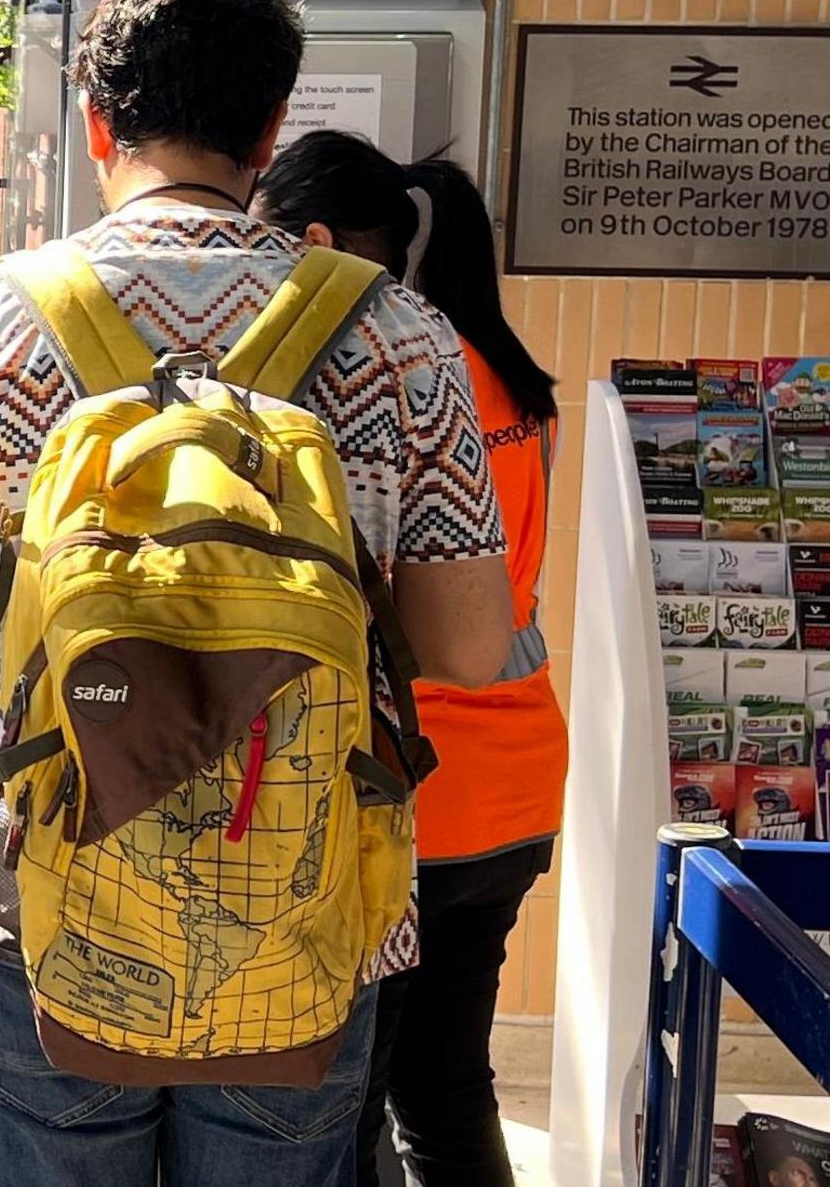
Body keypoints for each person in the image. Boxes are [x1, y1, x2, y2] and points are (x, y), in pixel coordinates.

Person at [0, 0, 517, 1186]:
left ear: (97, 119)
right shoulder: (398, 331)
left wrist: (41, 639)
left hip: (33, 871)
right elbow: (470, 644)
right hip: (304, 876)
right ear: (270, 128)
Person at [253, 130, 566, 1187]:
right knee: (444, 1088)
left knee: (351, 1101)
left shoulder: (403, 374)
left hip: (414, 785)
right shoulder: (520, 383)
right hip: (518, 779)